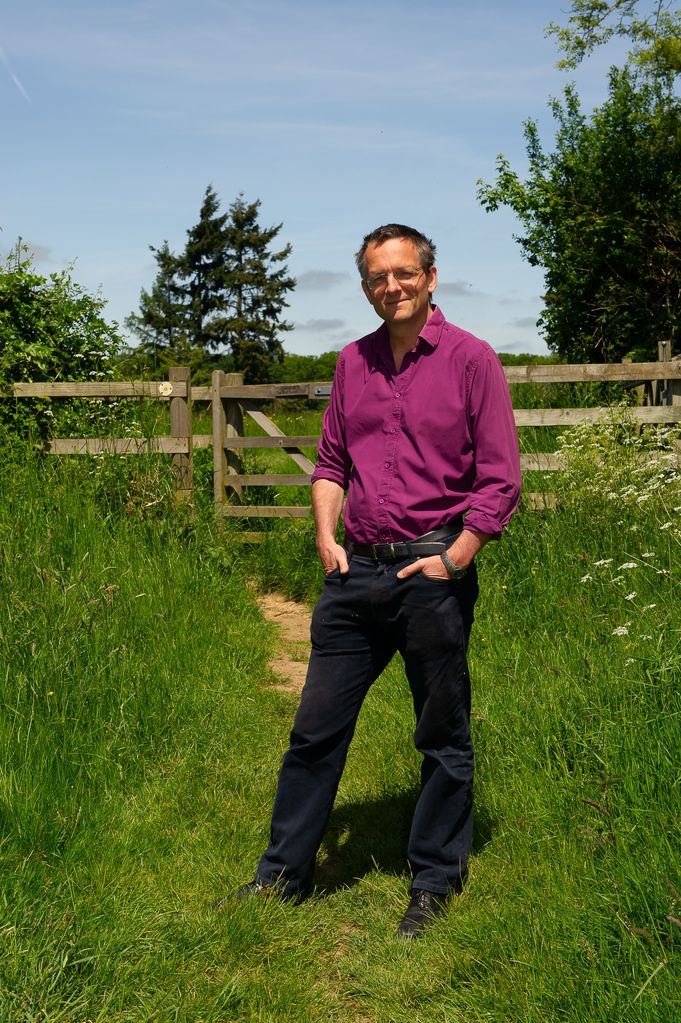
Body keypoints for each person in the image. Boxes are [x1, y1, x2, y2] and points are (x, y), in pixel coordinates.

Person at [226, 223, 521, 938]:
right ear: (364, 286)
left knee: (441, 735)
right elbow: (331, 462)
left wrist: (456, 557)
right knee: (313, 733)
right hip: (354, 573)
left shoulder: (471, 360)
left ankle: (431, 883)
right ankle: (281, 877)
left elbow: (500, 478)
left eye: (402, 273)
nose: (390, 286)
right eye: (376, 277)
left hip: (431, 573)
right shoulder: (351, 363)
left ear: (429, 275)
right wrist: (326, 536)